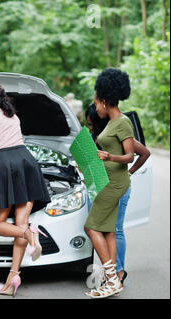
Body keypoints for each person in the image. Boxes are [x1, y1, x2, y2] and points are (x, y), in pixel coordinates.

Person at [0, 78, 51, 296]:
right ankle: (12, 279)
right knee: (21, 221)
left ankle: (29, 233)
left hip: (5, 164)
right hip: (26, 162)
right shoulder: (12, 115)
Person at [85, 103, 150, 285]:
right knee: (104, 230)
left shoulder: (115, 131)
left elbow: (144, 153)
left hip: (116, 186)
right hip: (99, 185)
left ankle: (118, 272)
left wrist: (129, 172)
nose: (90, 128)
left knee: (114, 229)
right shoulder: (94, 136)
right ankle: (111, 272)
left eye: (92, 124)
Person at [84, 68, 135, 299]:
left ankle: (112, 279)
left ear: (104, 101)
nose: (95, 108)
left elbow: (129, 156)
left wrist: (108, 157)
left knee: (91, 227)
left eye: (96, 103)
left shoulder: (122, 122)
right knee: (109, 232)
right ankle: (112, 280)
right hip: (109, 180)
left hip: (115, 183)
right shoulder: (112, 123)